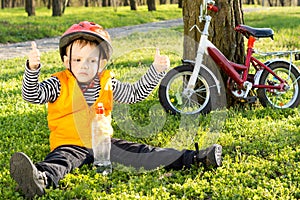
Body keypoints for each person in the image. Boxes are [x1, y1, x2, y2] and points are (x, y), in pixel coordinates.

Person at [10, 21, 222, 198]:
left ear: (101, 63)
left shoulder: (108, 83)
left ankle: (196, 157)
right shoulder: (58, 84)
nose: (84, 65)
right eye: (77, 59)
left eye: (91, 60)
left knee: (143, 153)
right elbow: (32, 95)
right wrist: (32, 69)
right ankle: (41, 178)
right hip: (70, 144)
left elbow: (135, 93)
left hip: (104, 144)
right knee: (60, 162)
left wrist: (156, 71)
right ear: (66, 61)